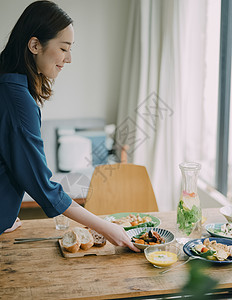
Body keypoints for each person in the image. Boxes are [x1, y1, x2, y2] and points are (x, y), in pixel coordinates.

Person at [0, 0, 139, 252]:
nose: (69, 58)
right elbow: (44, 188)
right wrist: (105, 226)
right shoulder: (18, 101)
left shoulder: (7, 85)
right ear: (34, 45)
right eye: (64, 48)